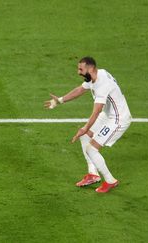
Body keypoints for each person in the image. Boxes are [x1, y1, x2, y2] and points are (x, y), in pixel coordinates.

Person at [44, 57, 131, 193]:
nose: (78, 72)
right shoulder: (96, 75)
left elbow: (96, 111)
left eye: (81, 69)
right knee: (85, 137)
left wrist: (85, 128)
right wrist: (60, 100)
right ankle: (93, 174)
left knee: (91, 148)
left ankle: (110, 181)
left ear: (90, 69)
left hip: (118, 119)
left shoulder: (102, 84)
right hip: (109, 115)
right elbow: (80, 90)